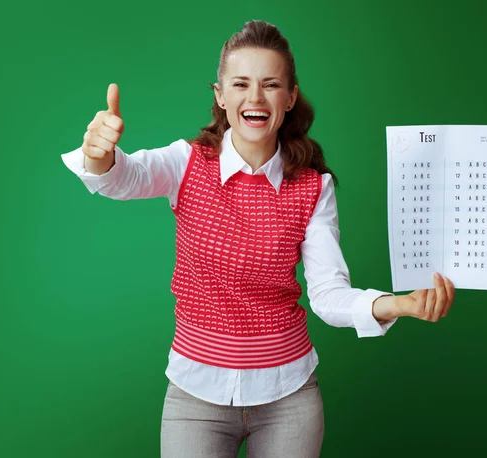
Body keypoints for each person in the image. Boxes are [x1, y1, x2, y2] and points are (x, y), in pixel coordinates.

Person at [61, 19, 454, 458]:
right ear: (220, 95)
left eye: (270, 85)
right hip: (195, 396)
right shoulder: (186, 163)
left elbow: (327, 294)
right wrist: (102, 157)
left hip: (290, 397)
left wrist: (397, 304)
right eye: (241, 83)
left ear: (289, 98)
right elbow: (126, 177)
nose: (255, 97)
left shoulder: (312, 186)